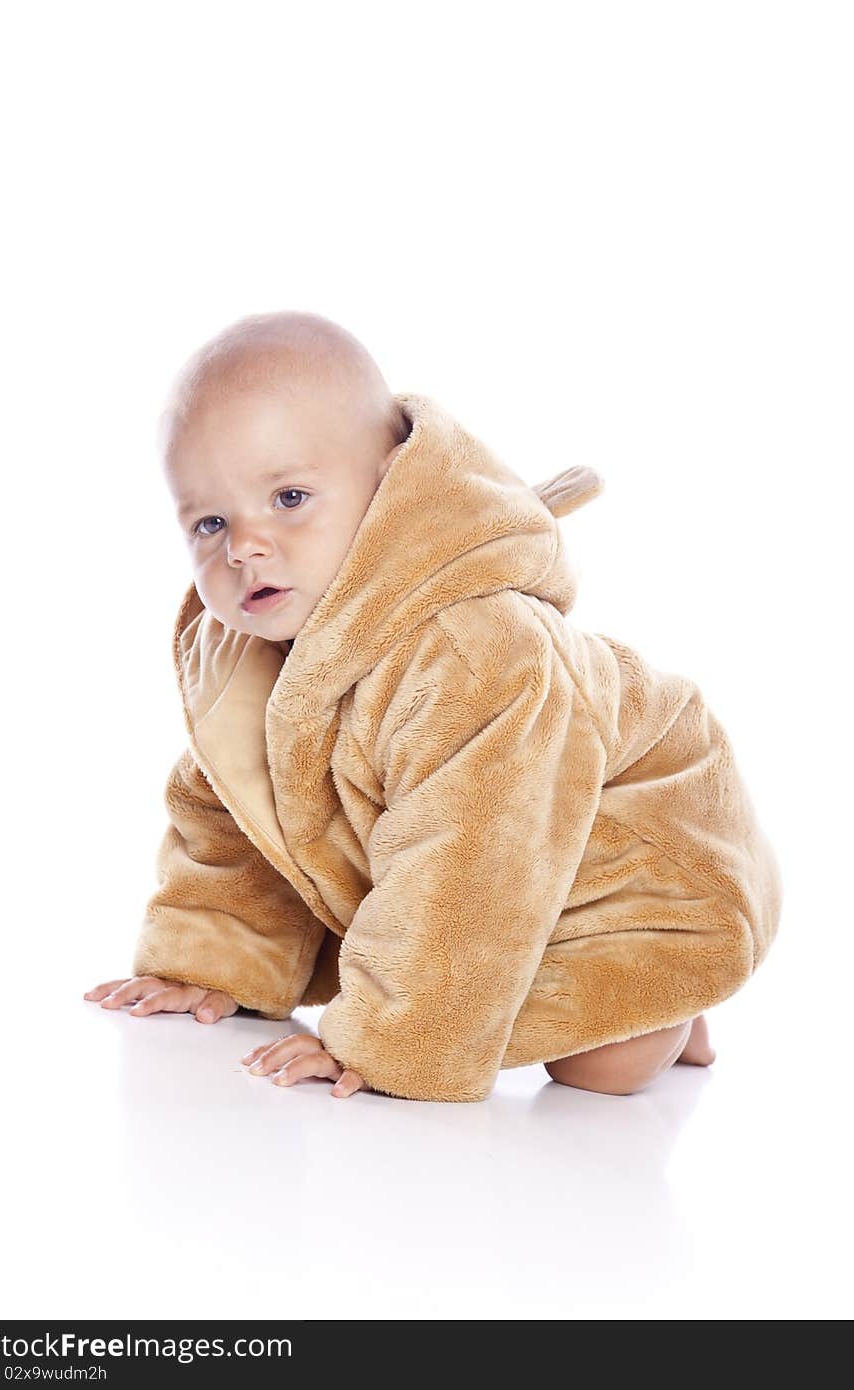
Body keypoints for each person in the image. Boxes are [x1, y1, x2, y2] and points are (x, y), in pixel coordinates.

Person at [85, 310, 782, 1102]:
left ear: (392, 488)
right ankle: (636, 1011)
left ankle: (670, 1002)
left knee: (600, 1071)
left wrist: (386, 1042)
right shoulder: (250, 660)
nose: (244, 545)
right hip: (498, 885)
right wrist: (214, 963)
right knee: (483, 979)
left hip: (648, 863)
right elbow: (237, 825)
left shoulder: (473, 654)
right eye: (210, 522)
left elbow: (471, 852)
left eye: (289, 496)